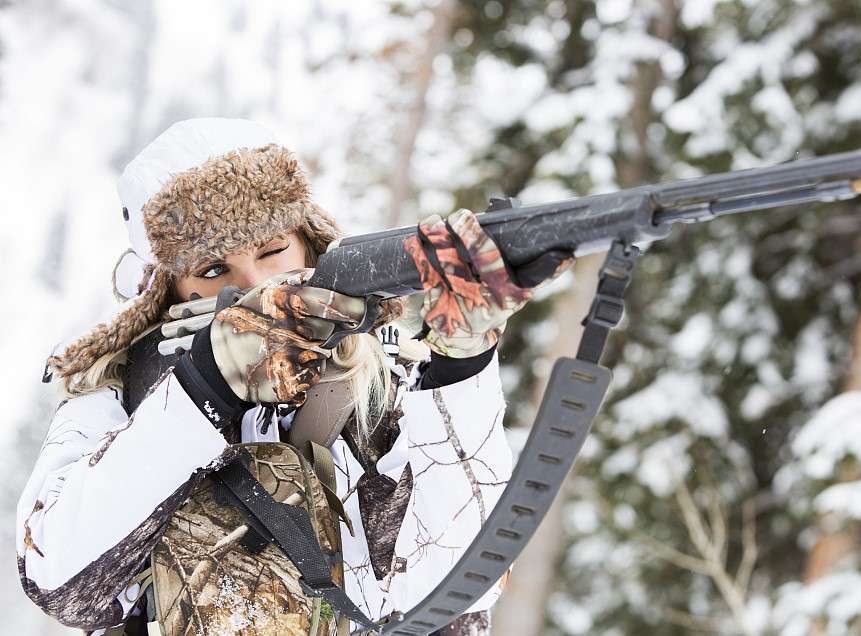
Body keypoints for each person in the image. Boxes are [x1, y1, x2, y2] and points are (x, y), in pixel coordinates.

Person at [15, 118, 573, 635]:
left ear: (308, 242)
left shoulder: (385, 370)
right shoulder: (119, 391)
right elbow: (61, 581)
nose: (254, 282)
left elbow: (466, 581)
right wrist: (204, 389)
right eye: (213, 270)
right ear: (170, 290)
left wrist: (460, 363)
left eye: (272, 250)